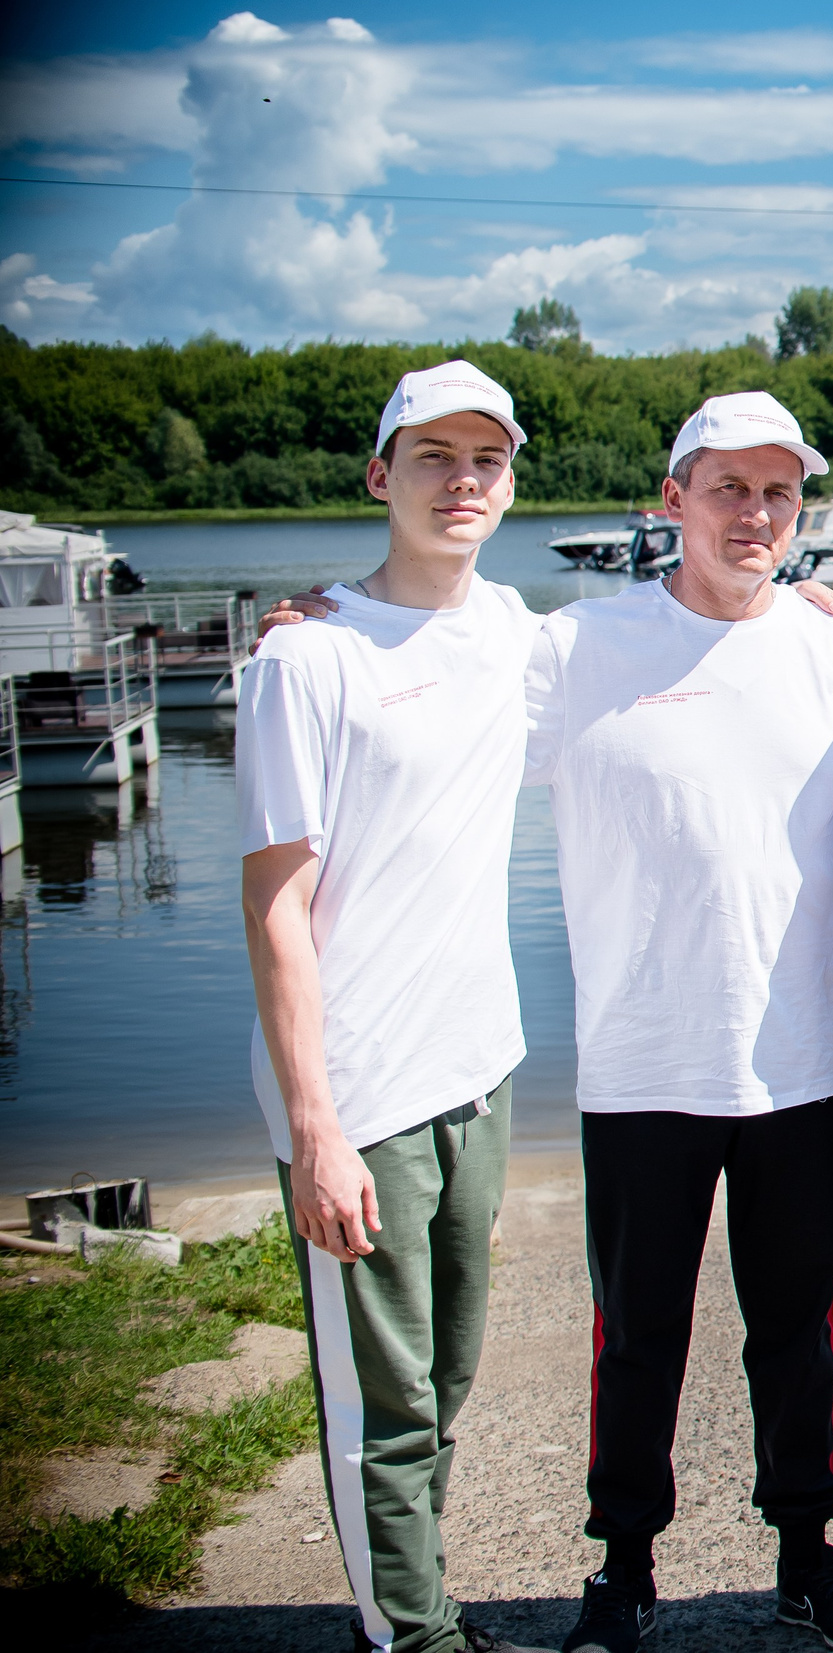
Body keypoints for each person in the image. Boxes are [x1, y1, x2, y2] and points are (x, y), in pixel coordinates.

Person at [528, 392, 833, 1653]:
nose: (755, 514)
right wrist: (321, 619)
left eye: (779, 492)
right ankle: (622, 1566)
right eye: (728, 488)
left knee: (793, 1328)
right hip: (642, 1060)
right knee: (640, 1332)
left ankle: (806, 1551)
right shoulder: (577, 647)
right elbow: (430, 677)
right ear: (672, 498)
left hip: (800, 1055)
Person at [239, 361, 545, 1653]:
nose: (461, 480)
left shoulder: (520, 631)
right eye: (433, 456)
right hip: (358, 1085)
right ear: (381, 475)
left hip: (480, 1065)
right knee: (386, 1397)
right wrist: (315, 1122)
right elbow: (275, 909)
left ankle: (424, 1610)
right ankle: (408, 1636)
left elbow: (684, 634)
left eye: (486, 459)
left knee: (449, 1375)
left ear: (511, 481)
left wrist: (814, 601)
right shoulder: (307, 658)